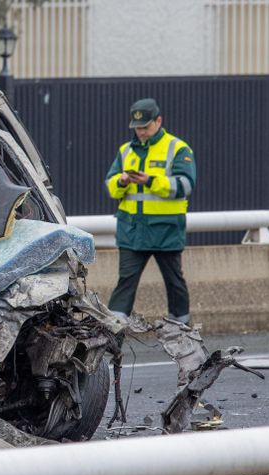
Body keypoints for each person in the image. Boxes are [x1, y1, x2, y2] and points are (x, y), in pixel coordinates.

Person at [104, 98, 196, 324]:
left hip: (165, 229)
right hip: (132, 229)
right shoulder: (126, 151)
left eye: (145, 127)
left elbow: (185, 185)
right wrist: (123, 181)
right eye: (137, 128)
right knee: (125, 281)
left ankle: (181, 328)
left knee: (174, 281)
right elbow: (110, 185)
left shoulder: (177, 148)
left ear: (158, 121)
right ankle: (113, 332)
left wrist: (150, 180)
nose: (141, 132)